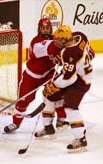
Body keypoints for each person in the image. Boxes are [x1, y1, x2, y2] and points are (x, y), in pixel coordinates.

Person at [34, 25, 95, 153]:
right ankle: (48, 127)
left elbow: (69, 79)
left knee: (70, 107)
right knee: (48, 95)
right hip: (78, 73)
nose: (56, 42)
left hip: (81, 81)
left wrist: (55, 85)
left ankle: (80, 138)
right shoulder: (80, 36)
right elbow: (91, 53)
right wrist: (65, 62)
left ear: (64, 40)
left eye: (58, 40)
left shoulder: (69, 53)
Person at [4, 18, 68, 133]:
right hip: (32, 76)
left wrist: (62, 56)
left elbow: (63, 52)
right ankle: (16, 122)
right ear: (39, 29)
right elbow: (48, 48)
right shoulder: (36, 42)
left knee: (58, 90)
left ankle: (61, 119)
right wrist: (59, 44)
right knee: (24, 101)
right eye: (43, 28)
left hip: (49, 72)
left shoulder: (54, 39)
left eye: (47, 28)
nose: (45, 30)